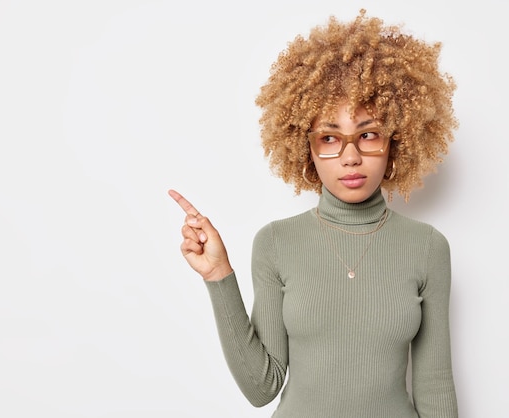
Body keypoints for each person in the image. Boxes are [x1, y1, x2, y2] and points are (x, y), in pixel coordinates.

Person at [168, 9, 458, 418]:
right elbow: (261, 387)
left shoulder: (427, 247)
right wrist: (219, 277)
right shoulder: (275, 243)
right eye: (329, 137)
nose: (351, 156)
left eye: (368, 134)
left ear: (397, 140)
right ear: (305, 149)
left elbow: (435, 385)